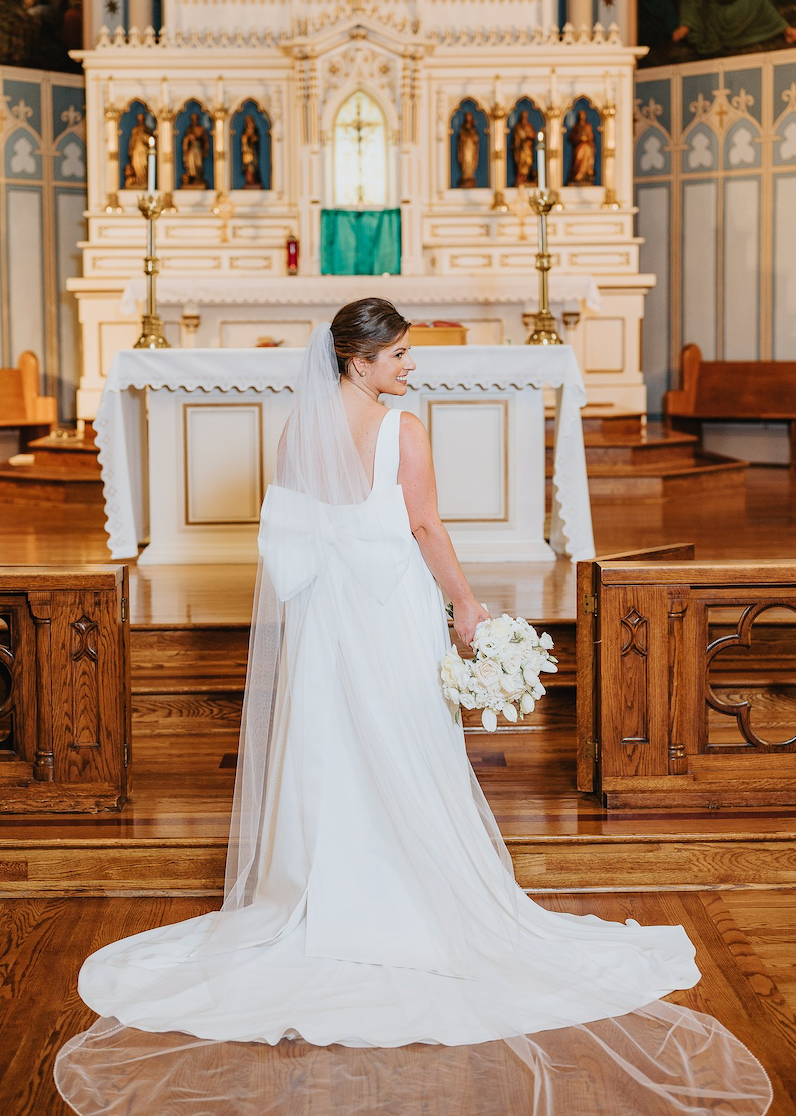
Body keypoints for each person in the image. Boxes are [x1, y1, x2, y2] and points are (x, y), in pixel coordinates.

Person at [54, 301, 772, 1116]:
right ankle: (404, 898)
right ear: (357, 362)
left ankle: (320, 897)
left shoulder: (298, 434)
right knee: (400, 744)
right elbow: (425, 526)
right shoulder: (406, 433)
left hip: (326, 621)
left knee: (327, 748)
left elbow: (288, 544)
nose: (409, 366)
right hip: (390, 614)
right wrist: (467, 605)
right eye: (396, 354)